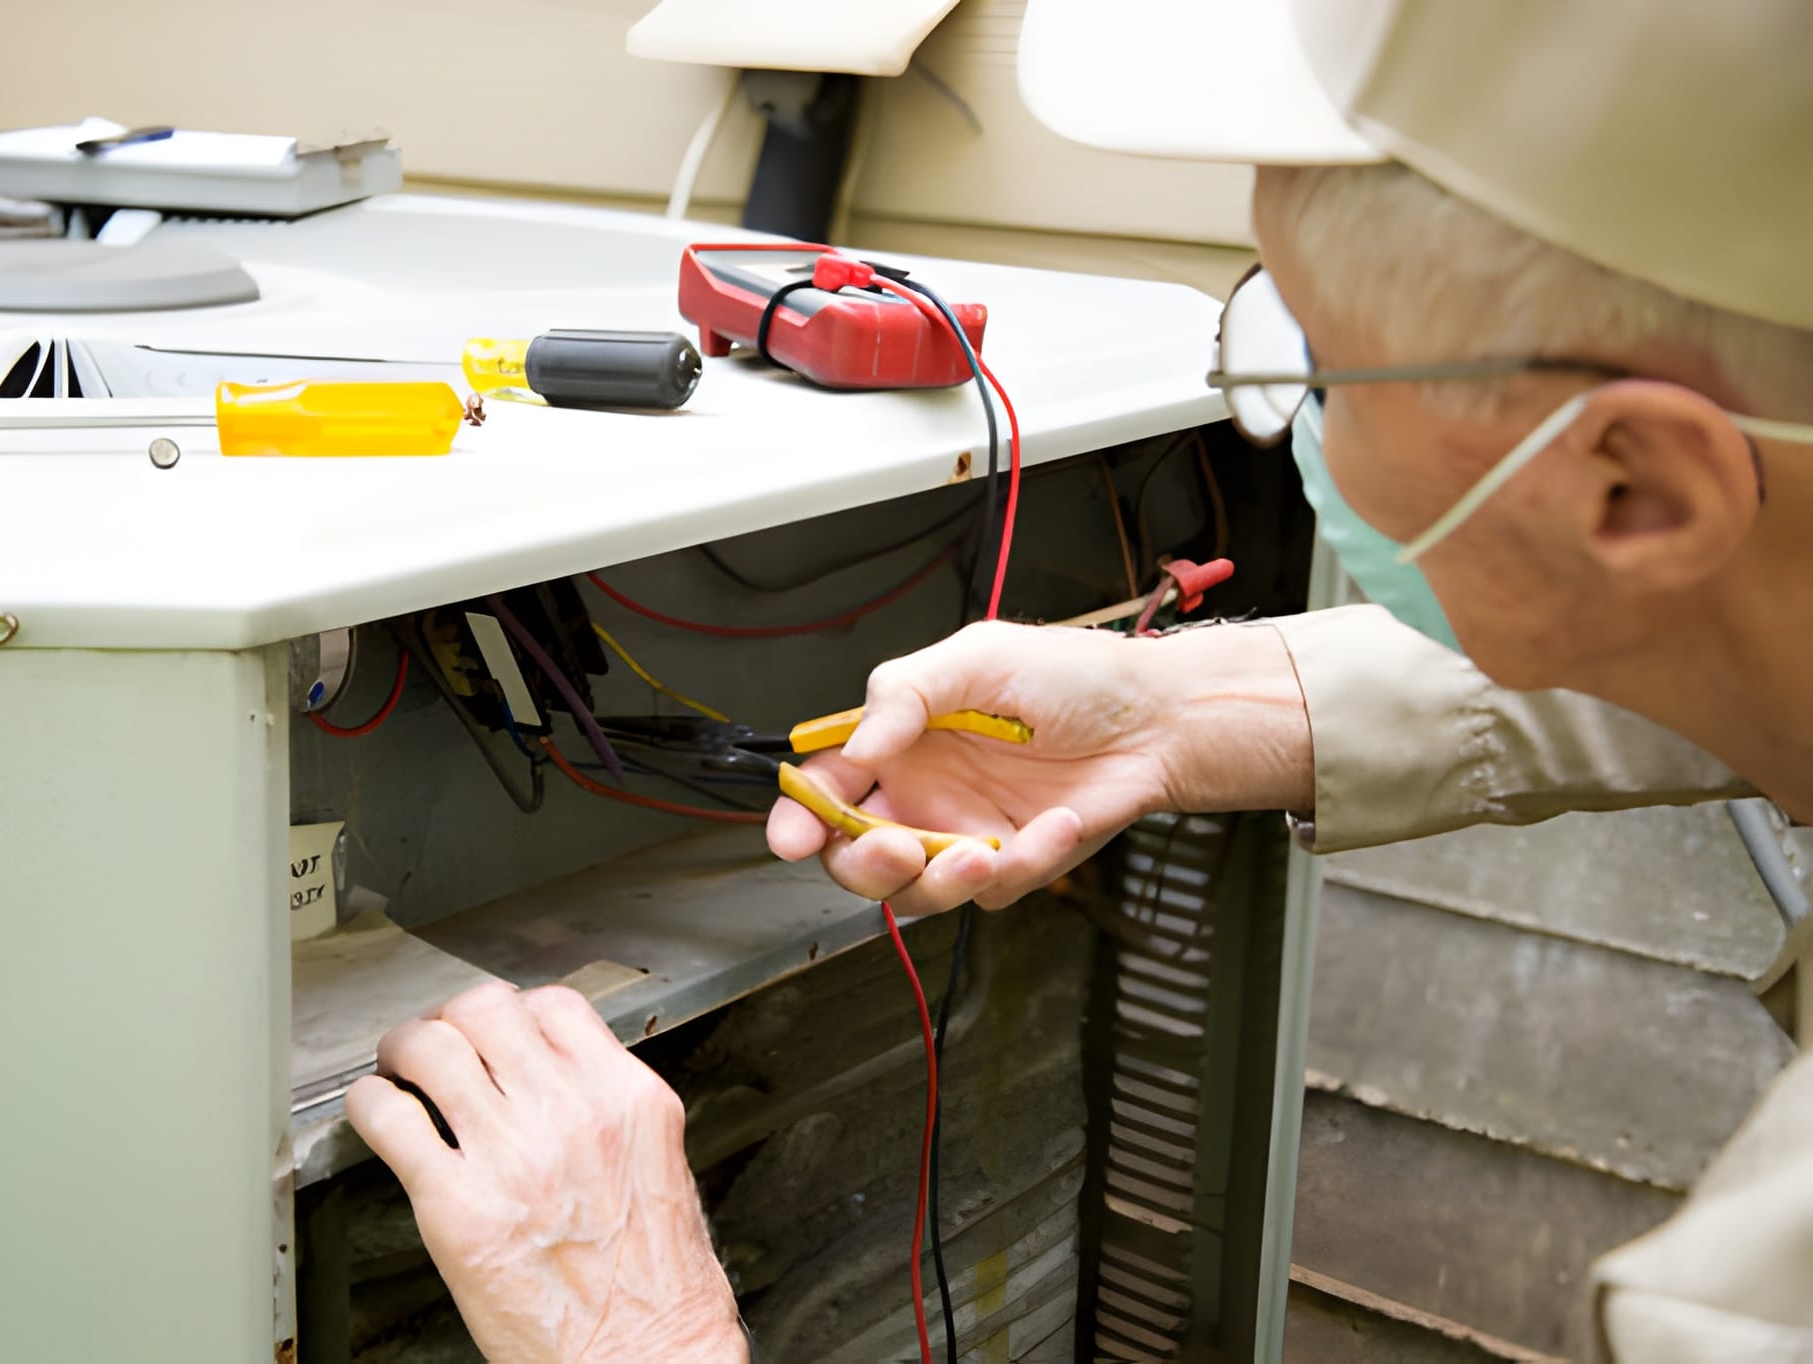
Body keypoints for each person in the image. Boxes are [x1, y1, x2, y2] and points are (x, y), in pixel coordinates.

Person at [348, 2, 1813, 1359]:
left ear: (1632, 491)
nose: (1281, 427)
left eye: (1323, 371)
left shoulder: (1757, 1290)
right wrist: (1184, 709)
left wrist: (644, 1335)